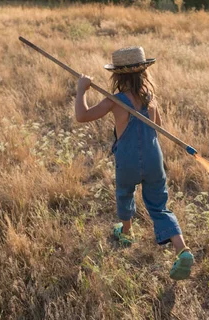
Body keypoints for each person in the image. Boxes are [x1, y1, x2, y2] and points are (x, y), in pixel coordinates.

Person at [74, 46, 194, 280]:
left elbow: (82, 116)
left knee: (125, 193)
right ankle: (182, 250)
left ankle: (126, 232)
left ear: (117, 76)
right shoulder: (151, 100)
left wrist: (81, 91)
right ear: (143, 73)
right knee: (159, 206)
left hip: (127, 161)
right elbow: (157, 127)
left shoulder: (115, 101)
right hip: (153, 158)